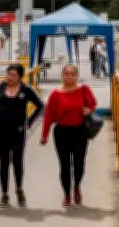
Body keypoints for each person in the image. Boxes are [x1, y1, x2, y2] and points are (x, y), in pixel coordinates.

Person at [0, 64, 44, 208]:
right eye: (8, 74)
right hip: (1, 131)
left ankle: (19, 189)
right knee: (3, 162)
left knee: (17, 159)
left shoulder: (26, 90)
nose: (10, 77)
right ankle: (4, 194)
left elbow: (40, 105)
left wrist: (30, 121)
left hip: (19, 131)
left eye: (13, 75)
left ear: (20, 77)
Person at [40, 64, 98, 207]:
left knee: (79, 163)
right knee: (65, 166)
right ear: (62, 75)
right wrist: (44, 135)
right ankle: (66, 194)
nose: (69, 76)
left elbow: (93, 103)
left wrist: (88, 110)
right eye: (66, 73)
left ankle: (76, 186)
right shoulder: (55, 94)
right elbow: (48, 115)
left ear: (76, 76)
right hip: (62, 133)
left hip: (80, 131)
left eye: (72, 74)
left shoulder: (84, 89)